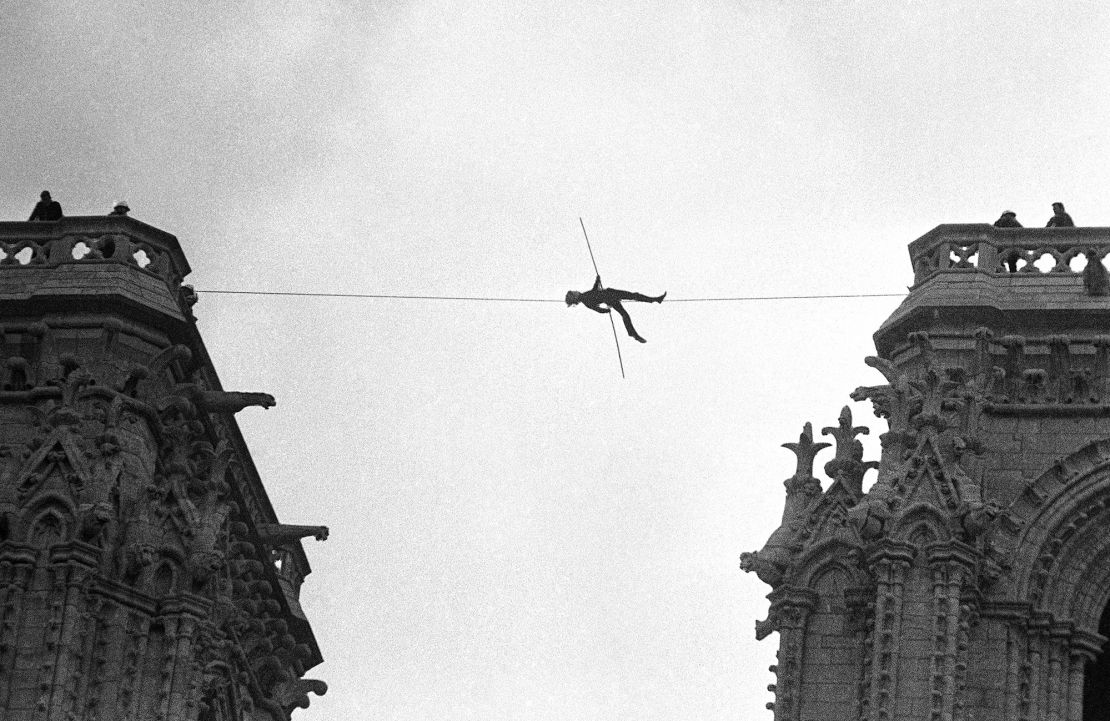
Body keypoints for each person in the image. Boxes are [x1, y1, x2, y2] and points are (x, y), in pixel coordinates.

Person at [566, 274, 665, 343]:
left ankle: (632, 333)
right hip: (610, 296)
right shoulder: (585, 300)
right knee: (633, 297)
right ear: (575, 297)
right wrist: (606, 310)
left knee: (626, 311)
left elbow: (594, 291)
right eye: (574, 293)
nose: (575, 291)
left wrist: (597, 281)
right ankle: (655, 300)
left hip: (610, 296)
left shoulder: (585, 297)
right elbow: (597, 309)